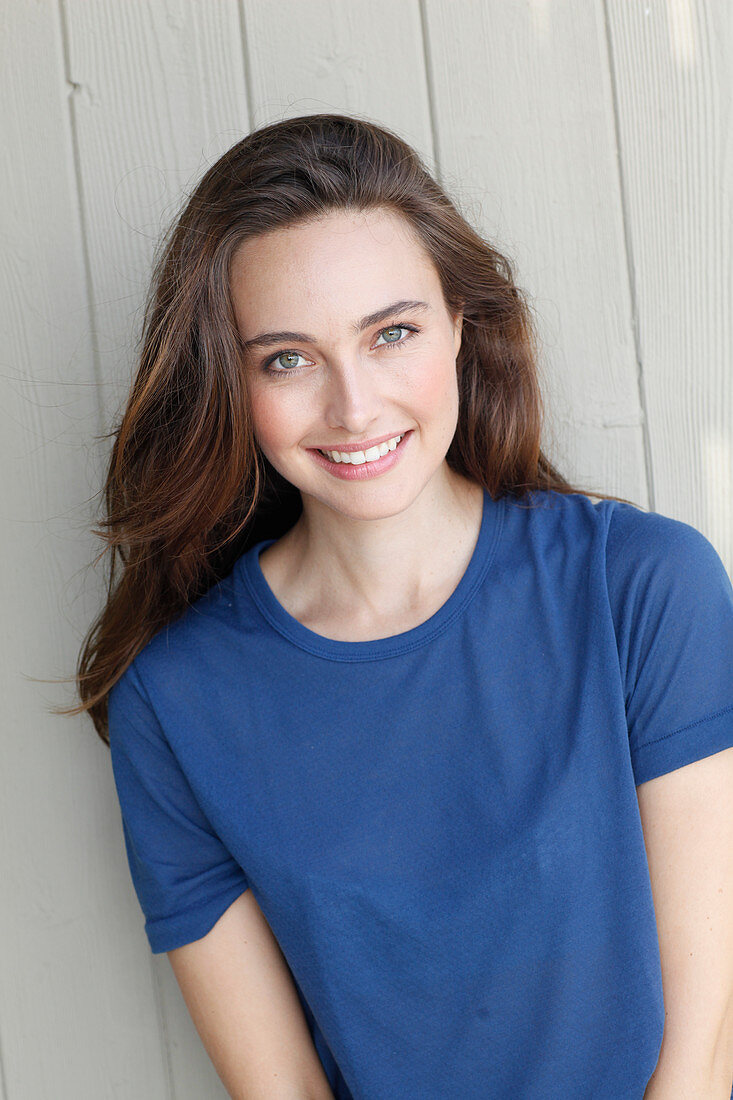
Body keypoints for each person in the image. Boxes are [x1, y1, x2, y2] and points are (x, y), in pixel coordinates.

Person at [68, 114, 733, 1098]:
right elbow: (283, 1087)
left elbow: (702, 1047)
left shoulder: (643, 585)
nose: (353, 404)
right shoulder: (175, 701)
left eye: (392, 333)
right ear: (230, 383)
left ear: (460, 326)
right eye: (286, 357)